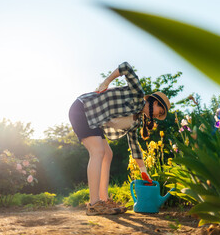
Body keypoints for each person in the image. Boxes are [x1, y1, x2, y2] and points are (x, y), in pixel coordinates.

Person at [68, 62, 171, 216]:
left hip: (94, 119)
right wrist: (107, 81)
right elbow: (126, 67)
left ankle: (103, 199)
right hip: (83, 108)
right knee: (98, 151)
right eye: (159, 111)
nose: (157, 115)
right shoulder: (137, 92)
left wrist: (143, 171)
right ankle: (94, 204)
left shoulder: (136, 121)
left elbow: (134, 146)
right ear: (155, 102)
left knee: (107, 154)